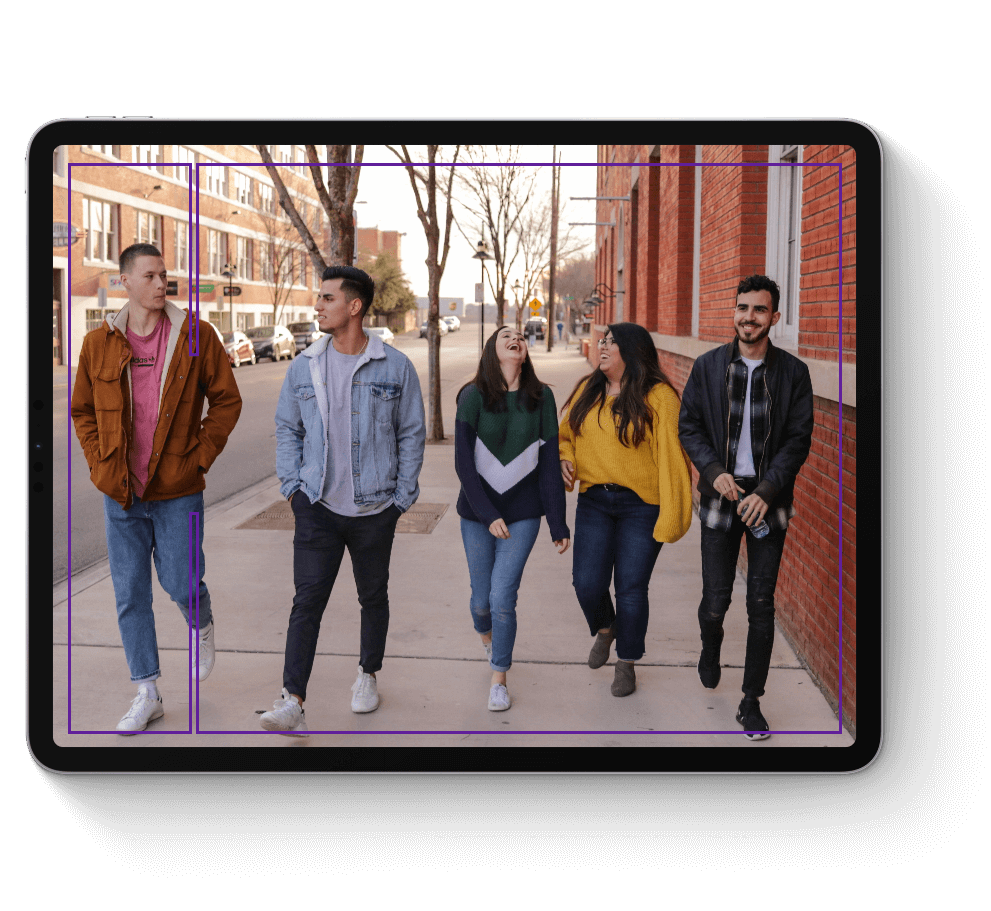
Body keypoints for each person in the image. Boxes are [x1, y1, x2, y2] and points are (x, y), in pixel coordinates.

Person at [70, 243, 242, 733]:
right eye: (149, 275)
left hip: (178, 489)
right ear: (125, 280)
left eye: (164, 274)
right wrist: (100, 460)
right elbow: (83, 410)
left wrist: (199, 456)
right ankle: (147, 691)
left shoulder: (195, 336)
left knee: (181, 582)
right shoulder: (98, 343)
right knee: (130, 592)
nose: (160, 283)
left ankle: (201, 622)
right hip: (121, 492)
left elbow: (227, 402)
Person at [260, 266, 425, 736]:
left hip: (376, 510)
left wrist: (401, 499)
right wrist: (293, 489)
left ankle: (368, 674)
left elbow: (411, 432)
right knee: (307, 601)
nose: (318, 306)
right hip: (317, 507)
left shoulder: (395, 367)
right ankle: (292, 699)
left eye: (327, 298)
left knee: (372, 596)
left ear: (354, 307)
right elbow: (288, 428)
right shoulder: (303, 365)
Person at [678, 274, 813, 740]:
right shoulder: (709, 367)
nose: (748, 317)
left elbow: (797, 441)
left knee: (761, 604)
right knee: (715, 600)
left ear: (774, 317)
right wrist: (713, 470)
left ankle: (751, 701)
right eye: (742, 308)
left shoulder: (793, 373)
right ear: (733, 312)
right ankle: (709, 646)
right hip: (721, 495)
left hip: (767, 501)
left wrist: (768, 491)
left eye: (758, 310)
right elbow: (689, 426)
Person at [559, 322, 692, 697]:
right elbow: (565, 435)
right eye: (602, 341)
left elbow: (672, 458)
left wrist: (673, 512)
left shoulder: (660, 396)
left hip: (641, 506)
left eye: (611, 343)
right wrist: (564, 458)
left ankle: (627, 662)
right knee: (586, 583)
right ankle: (606, 628)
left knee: (631, 588)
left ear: (632, 351)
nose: (602, 347)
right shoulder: (588, 390)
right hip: (594, 501)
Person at [455, 326, 570, 711]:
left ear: (525, 351)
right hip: (476, 513)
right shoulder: (472, 397)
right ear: (493, 349)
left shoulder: (542, 398)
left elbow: (551, 465)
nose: (515, 337)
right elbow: (463, 466)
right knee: (480, 602)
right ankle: (488, 640)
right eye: (505, 335)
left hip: (522, 515)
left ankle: (499, 676)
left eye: (520, 335)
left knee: (503, 597)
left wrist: (558, 522)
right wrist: (487, 515)